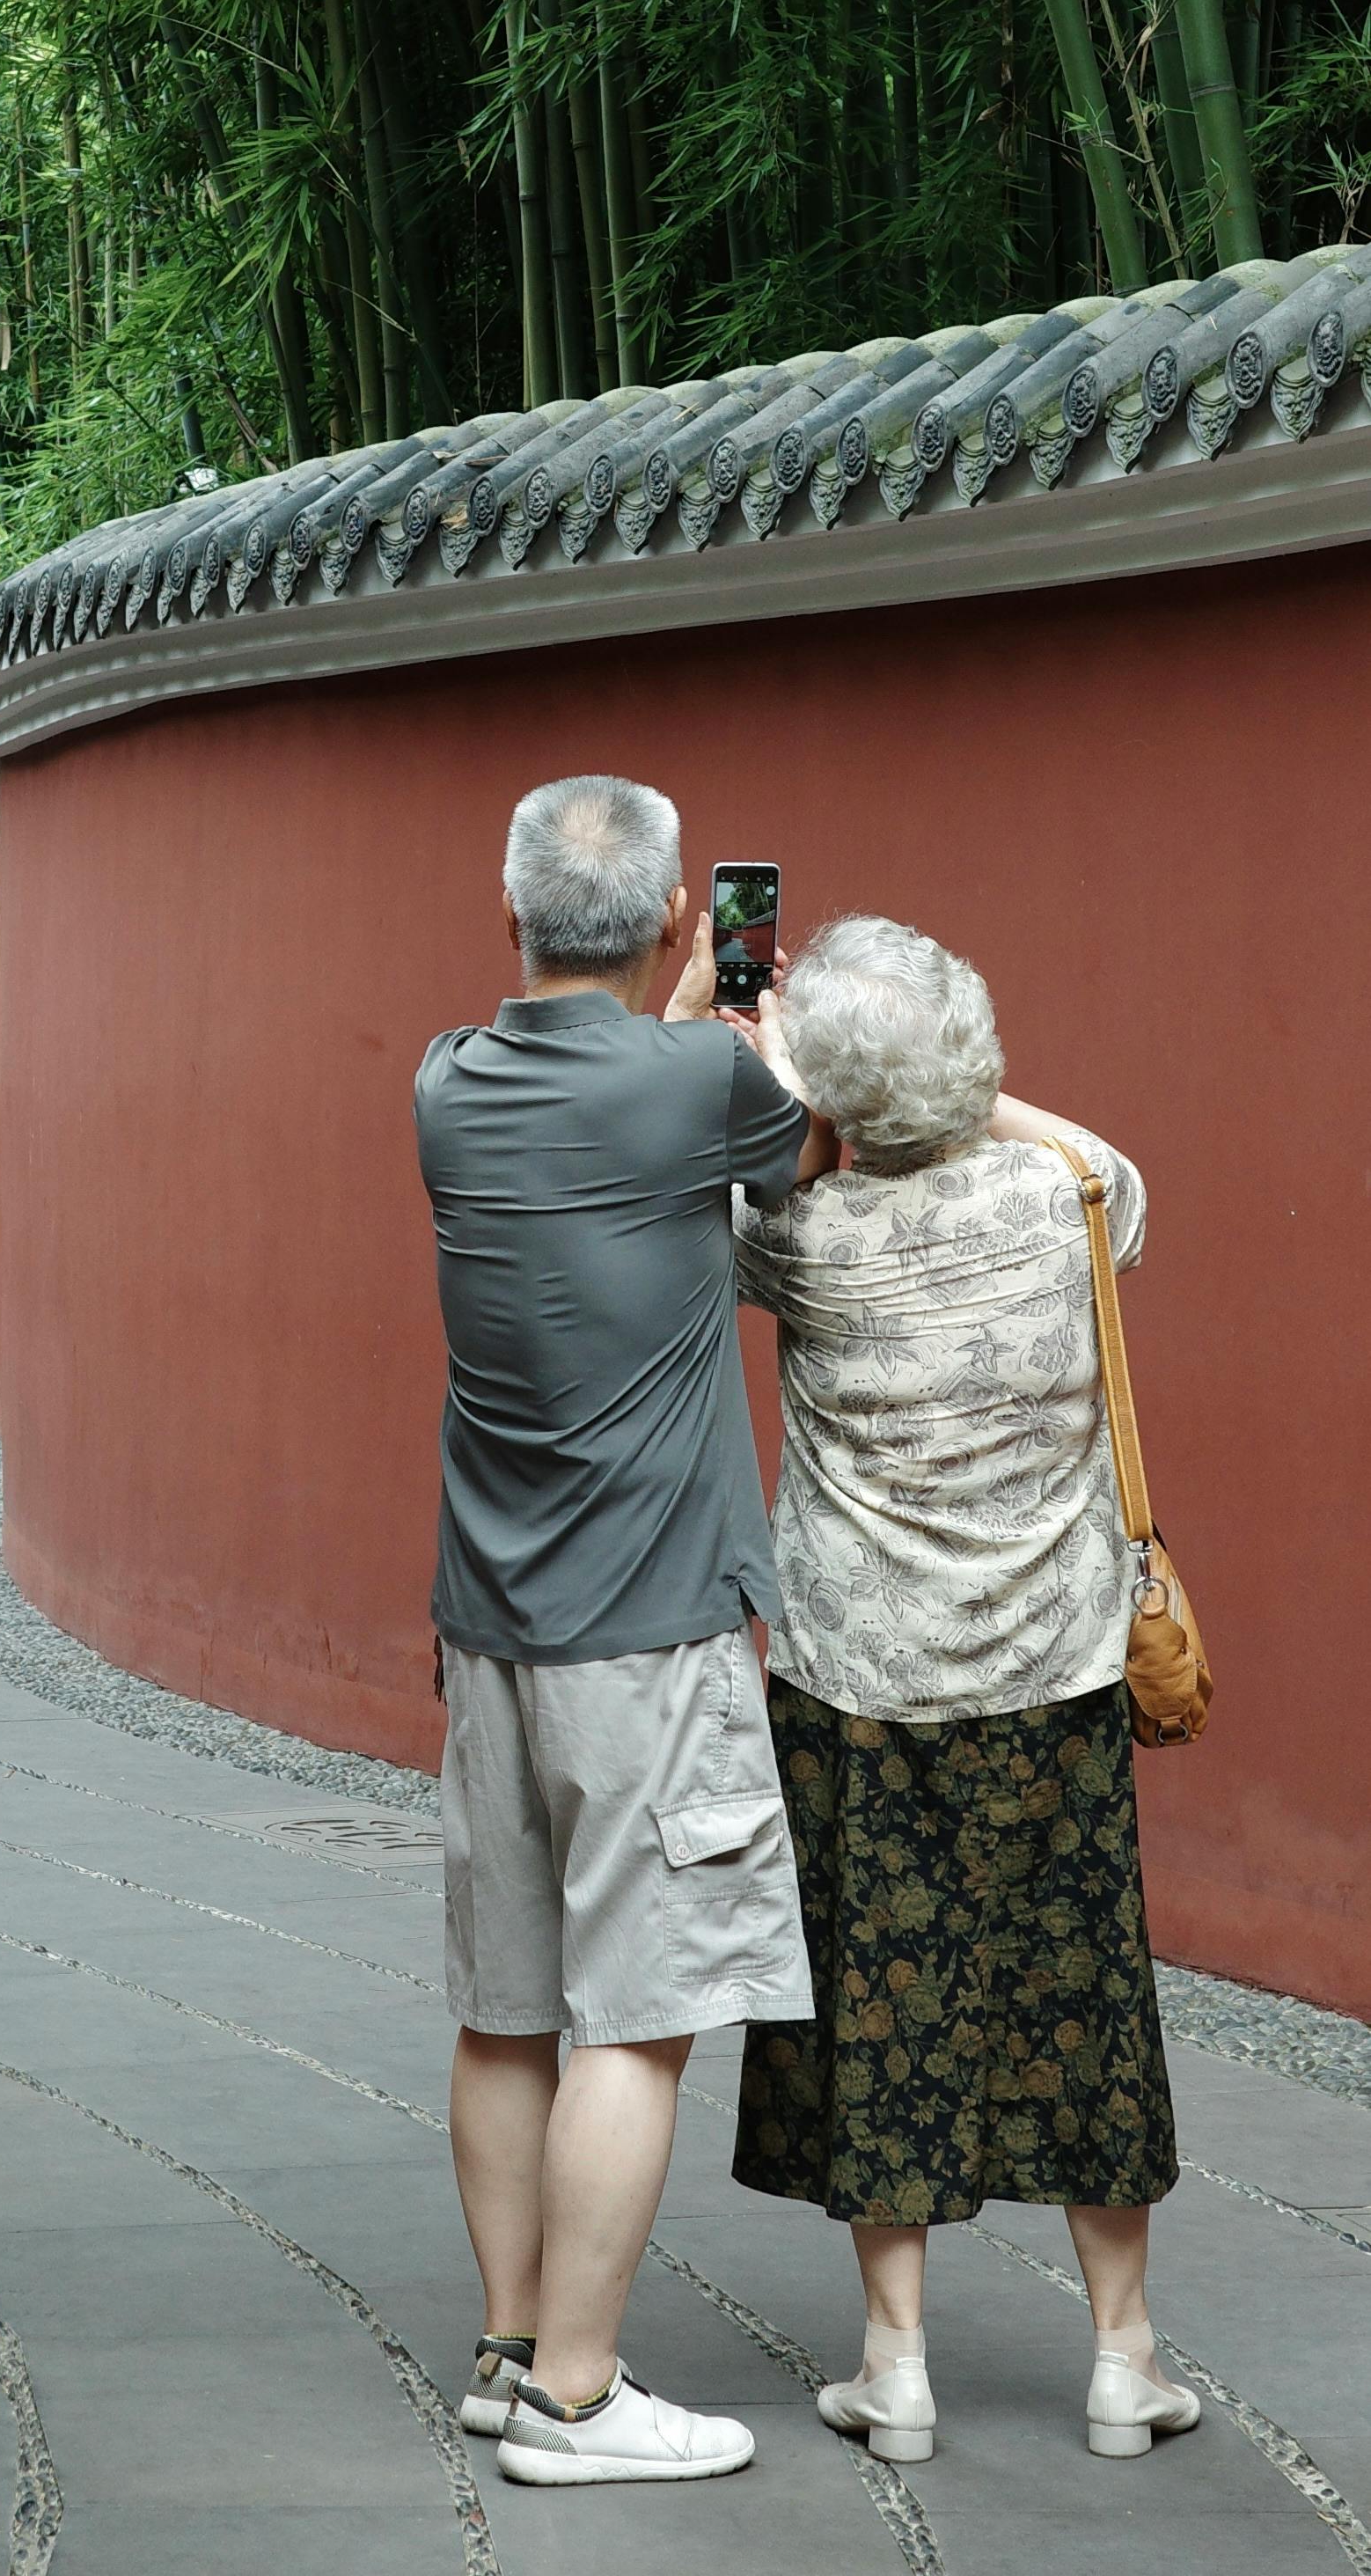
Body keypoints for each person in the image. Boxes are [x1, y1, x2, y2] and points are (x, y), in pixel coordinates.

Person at [729, 915, 1192, 2469]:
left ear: (841, 1095)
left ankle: (897, 2365)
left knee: (886, 2000)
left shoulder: (798, 1239)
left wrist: (785, 1078)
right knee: (1081, 1997)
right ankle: (1122, 2359)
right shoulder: (1070, 1199)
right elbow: (1092, 1160)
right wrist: (954, 1092)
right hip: (1053, 1670)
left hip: (862, 1678)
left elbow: (743, 1194)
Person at [415, 773, 830, 2487]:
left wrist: (687, 1019)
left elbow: (643, 1104)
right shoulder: (701, 1078)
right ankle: (580, 2399)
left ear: (505, 915)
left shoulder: (443, 1080)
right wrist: (752, 1017)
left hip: (487, 1628)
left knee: (505, 2007)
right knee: (636, 2018)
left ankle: (510, 2348)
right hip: (650, 1631)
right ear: (678, 915)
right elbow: (802, 1137)